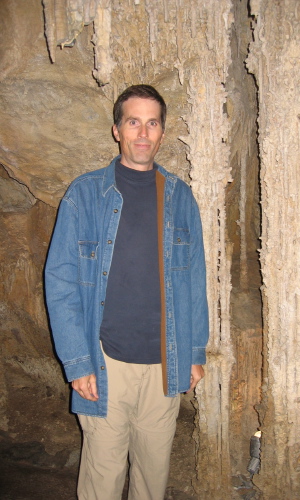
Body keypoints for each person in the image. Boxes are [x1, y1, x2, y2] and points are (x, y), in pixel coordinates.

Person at [45, 84, 209, 500]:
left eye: (152, 123)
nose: (142, 132)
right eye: (133, 121)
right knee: (103, 475)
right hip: (104, 360)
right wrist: (78, 361)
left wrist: (192, 352)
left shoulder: (180, 197)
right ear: (117, 129)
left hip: (164, 362)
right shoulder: (85, 195)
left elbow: (193, 279)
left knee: (152, 479)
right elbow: (61, 279)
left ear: (162, 133)